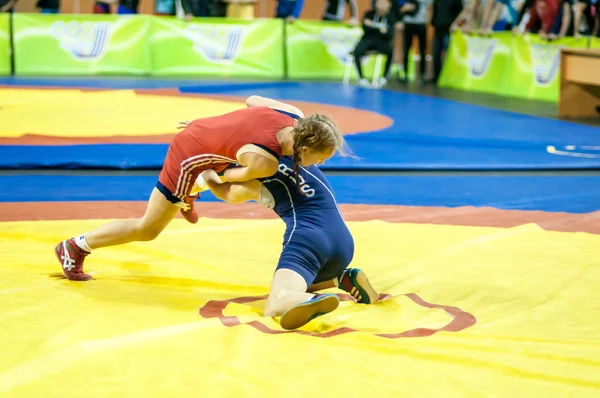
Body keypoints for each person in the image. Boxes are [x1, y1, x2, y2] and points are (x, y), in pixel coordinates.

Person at [54, 96, 347, 282]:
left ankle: (188, 193)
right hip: (189, 154)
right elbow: (227, 179)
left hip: (207, 132)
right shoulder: (264, 162)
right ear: (305, 147)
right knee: (148, 228)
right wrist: (204, 174)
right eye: (321, 158)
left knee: (224, 160)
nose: (320, 163)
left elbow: (252, 101)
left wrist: (213, 129)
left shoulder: (292, 113)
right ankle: (75, 246)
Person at [197, 153, 379, 330]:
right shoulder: (294, 151)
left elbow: (230, 194)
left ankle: (308, 300)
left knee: (275, 303)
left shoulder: (259, 173)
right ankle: (342, 279)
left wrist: (208, 178)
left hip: (308, 241)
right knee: (294, 279)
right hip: (343, 244)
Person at [352, 0, 398, 87]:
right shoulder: (369, 14)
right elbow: (365, 28)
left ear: (388, 5)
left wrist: (372, 25)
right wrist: (380, 29)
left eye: (383, 3)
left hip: (382, 41)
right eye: (379, 3)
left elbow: (389, 34)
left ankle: (384, 77)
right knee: (357, 51)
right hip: (368, 38)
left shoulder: (390, 17)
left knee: (390, 51)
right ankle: (361, 77)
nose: (381, 5)